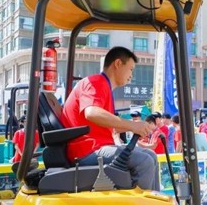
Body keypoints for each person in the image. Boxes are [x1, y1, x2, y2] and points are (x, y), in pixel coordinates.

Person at [60, 46, 159, 190]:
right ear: (118, 63)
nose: (131, 75)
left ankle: (153, 200)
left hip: (96, 148)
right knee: (144, 161)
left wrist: (137, 126)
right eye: (131, 69)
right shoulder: (95, 82)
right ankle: (142, 204)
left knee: (151, 155)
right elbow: (91, 113)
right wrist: (132, 125)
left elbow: (110, 126)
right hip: (86, 151)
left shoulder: (104, 87)